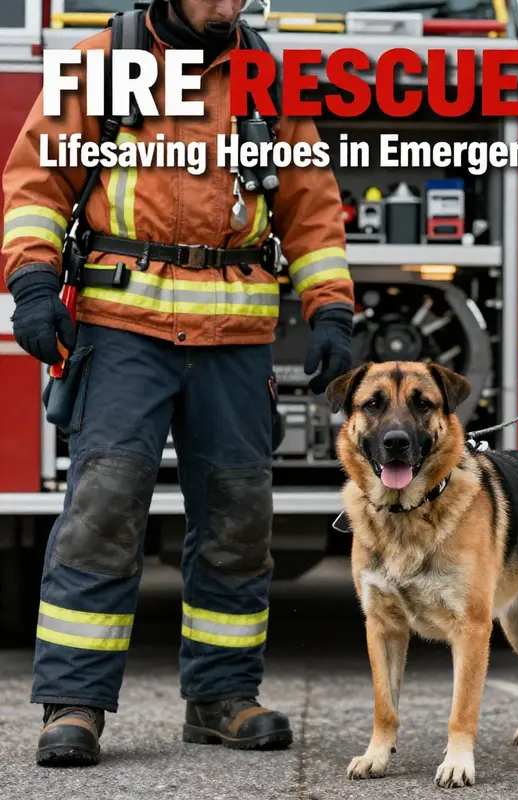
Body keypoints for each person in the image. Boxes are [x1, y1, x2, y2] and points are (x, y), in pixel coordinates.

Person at [2, 0, 354, 767]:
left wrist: (331, 308)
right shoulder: (102, 57)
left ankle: (222, 698)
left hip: (236, 339)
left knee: (237, 521)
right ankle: (74, 704)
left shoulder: (265, 76)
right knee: (102, 512)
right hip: (125, 333)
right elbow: (35, 183)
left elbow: (311, 208)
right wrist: (32, 283)